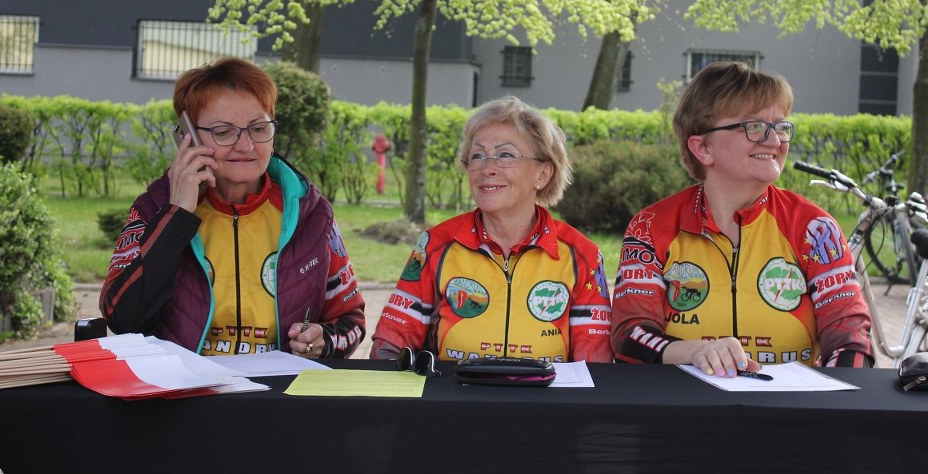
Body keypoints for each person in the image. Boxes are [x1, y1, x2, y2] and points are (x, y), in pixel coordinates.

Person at [610, 61, 873, 375]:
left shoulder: (813, 228)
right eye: (754, 127)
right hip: (682, 403)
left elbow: (850, 336)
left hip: (791, 404)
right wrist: (695, 352)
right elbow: (629, 335)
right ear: (703, 147)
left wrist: (833, 397)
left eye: (781, 127)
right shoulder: (651, 226)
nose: (774, 141)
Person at [99, 57, 365, 359]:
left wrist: (322, 342)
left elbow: (351, 322)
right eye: (224, 132)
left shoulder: (311, 213)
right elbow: (122, 320)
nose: (246, 145)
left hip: (280, 387)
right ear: (188, 137)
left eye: (259, 128)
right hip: (181, 387)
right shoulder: (152, 209)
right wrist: (176, 216)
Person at [369, 96, 613, 363]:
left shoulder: (582, 257)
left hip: (547, 393)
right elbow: (390, 347)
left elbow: (595, 369)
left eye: (505, 155)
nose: (487, 168)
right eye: (477, 156)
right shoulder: (435, 245)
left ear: (542, 175)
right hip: (452, 392)